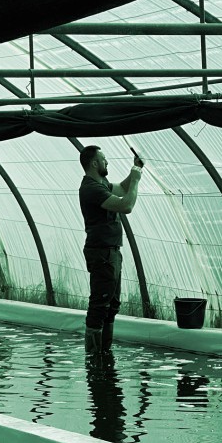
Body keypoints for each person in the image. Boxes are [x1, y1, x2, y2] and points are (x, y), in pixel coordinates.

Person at [78, 146, 143, 354]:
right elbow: (126, 205)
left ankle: (105, 354)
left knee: (112, 305)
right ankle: (94, 359)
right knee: (100, 305)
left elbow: (123, 189)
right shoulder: (91, 188)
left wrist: (135, 169)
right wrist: (136, 179)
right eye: (104, 159)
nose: (107, 163)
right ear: (94, 163)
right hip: (102, 253)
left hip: (111, 252)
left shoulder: (101, 184)